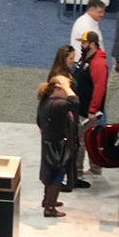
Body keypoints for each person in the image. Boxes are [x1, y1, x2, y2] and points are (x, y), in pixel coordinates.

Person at [37, 74, 79, 218]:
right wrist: (66, 87)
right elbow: (74, 102)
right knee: (57, 174)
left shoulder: (46, 101)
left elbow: (38, 122)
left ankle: (48, 200)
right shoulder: (57, 104)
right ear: (56, 89)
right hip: (57, 144)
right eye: (66, 88)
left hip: (49, 142)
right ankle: (50, 207)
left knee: (50, 172)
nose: (69, 91)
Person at [72, 30, 108, 178]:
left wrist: (93, 110)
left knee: (81, 141)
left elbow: (99, 88)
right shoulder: (86, 58)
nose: (82, 44)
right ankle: (95, 168)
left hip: (88, 111)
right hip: (82, 107)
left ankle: (78, 171)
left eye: (84, 42)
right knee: (89, 139)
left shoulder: (98, 63)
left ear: (92, 44)